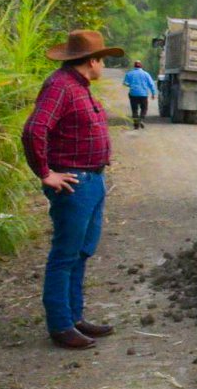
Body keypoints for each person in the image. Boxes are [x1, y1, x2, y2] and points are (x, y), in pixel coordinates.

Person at [21, 30, 123, 350]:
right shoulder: (60, 86)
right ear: (92, 61)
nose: (103, 66)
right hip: (74, 183)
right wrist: (45, 173)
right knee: (65, 254)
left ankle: (75, 317)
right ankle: (61, 325)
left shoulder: (79, 87)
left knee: (81, 252)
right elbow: (34, 130)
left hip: (92, 180)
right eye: (102, 60)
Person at [123, 59, 156, 130]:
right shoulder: (146, 74)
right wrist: (153, 93)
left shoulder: (129, 73)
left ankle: (136, 125)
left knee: (134, 110)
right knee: (144, 108)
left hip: (133, 94)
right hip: (143, 94)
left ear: (134, 66)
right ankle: (141, 119)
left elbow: (125, 83)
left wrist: (130, 85)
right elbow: (151, 84)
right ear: (141, 66)